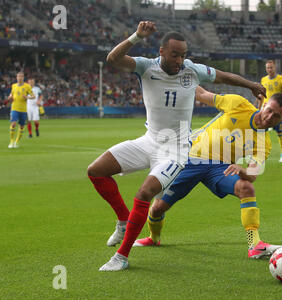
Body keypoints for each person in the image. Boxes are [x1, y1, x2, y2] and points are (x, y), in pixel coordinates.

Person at [87, 21, 266, 272]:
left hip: (176, 150)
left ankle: (122, 256)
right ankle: (123, 219)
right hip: (149, 140)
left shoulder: (192, 70)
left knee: (145, 194)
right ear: (161, 51)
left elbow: (224, 76)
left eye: (183, 55)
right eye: (175, 55)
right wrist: (137, 36)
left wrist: (250, 85)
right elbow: (113, 58)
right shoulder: (145, 67)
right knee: (96, 170)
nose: (180, 60)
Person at [133, 86, 282, 259]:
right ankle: (154, 238)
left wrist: (242, 170)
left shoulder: (264, 142)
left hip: (220, 168)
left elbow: (253, 175)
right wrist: (186, 77)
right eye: (269, 110)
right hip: (191, 158)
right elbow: (201, 94)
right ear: (264, 105)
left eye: (276, 116)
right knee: (157, 209)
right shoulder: (238, 104)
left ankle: (254, 245)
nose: (269, 117)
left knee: (246, 188)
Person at [258, 60, 282, 163]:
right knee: (260, 132)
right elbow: (260, 95)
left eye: (271, 67)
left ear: (275, 68)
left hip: (277, 112)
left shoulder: (281, 79)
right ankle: (258, 154)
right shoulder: (263, 80)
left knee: (280, 133)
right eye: (267, 68)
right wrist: (258, 109)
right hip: (265, 111)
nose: (269, 69)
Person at [8, 71, 35, 148]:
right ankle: (11, 141)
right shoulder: (13, 86)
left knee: (22, 126)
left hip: (23, 110)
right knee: (13, 124)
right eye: (18, 76)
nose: (19, 78)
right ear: (16, 77)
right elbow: (11, 95)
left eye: (21, 76)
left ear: (23, 77)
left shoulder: (27, 86)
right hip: (14, 108)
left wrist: (27, 97)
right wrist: (10, 97)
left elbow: (33, 96)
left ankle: (16, 142)